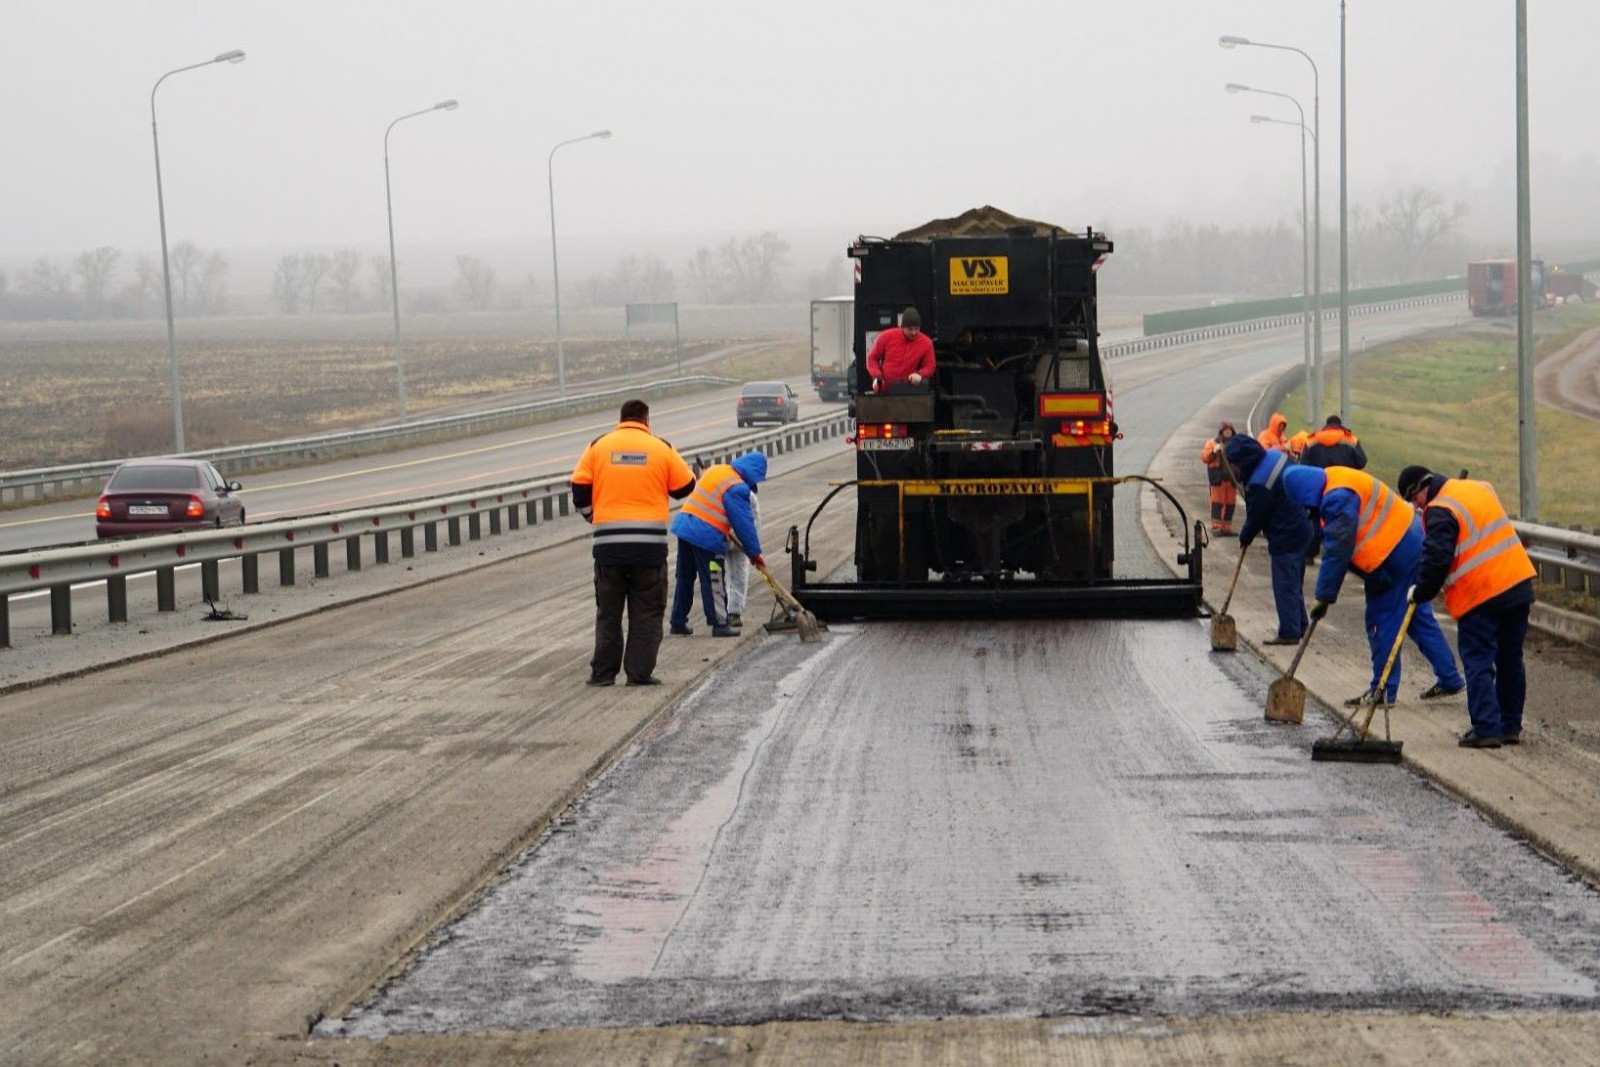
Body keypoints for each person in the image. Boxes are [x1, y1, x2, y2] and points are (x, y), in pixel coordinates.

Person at [1281, 464, 1465, 707]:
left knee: (1381, 620)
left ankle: (1382, 690)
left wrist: (1324, 596)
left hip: (1392, 556)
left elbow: (1338, 549)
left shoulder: (1337, 499)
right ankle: (1450, 678)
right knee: (1416, 616)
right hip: (1412, 541)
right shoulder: (1336, 477)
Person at [1399, 465, 1538, 749]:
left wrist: (1421, 591)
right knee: (1510, 657)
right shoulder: (1479, 488)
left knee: (1478, 659)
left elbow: (1437, 558)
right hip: (1518, 584)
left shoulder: (1439, 509)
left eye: (1415, 500)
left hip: (1481, 594)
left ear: (1421, 489)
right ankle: (1510, 726)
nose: (1417, 507)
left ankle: (1486, 728)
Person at [570, 399, 696, 687]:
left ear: (621, 418)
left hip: (608, 547)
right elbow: (685, 486)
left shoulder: (598, 445)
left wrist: (594, 517)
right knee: (647, 612)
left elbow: (578, 486)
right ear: (646, 420)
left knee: (608, 612)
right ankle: (639, 674)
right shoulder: (660, 447)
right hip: (649, 548)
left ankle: (603, 674)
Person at [1225, 435, 1313, 645]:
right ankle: (1300, 624)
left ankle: (1289, 632)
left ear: (1244, 460)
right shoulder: (1275, 456)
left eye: (1234, 464)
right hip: (1303, 527)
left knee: (1284, 584)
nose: (1234, 470)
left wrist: (1245, 536)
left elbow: (1257, 515)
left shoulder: (1259, 483)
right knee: (1293, 582)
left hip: (1286, 535)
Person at [669, 450, 768, 638]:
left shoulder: (718, 471)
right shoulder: (736, 487)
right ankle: (719, 623)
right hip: (705, 536)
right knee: (714, 578)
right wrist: (754, 553)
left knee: (685, 577)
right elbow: (744, 524)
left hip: (685, 527)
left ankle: (678, 621)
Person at [865, 306, 936, 391]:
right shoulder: (886, 337)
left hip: (909, 390)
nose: (913, 333)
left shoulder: (926, 343)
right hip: (886, 389)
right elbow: (872, 358)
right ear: (902, 327)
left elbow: (930, 366)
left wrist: (920, 375)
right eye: (910, 329)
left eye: (916, 329)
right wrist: (877, 377)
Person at [724, 484, 760, 629]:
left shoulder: (748, 497)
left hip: (738, 540)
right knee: (724, 575)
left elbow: (754, 527)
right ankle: (726, 612)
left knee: (738, 575)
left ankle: (733, 613)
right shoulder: (747, 497)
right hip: (722, 537)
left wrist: (754, 552)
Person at [1200, 421, 1239, 537]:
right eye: (1226, 430)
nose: (1228, 432)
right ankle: (1216, 528)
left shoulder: (1237, 445)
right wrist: (1214, 451)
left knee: (1230, 504)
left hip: (1232, 480)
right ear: (1221, 432)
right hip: (1218, 479)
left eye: (1229, 430)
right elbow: (1204, 457)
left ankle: (1227, 528)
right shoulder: (1212, 443)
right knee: (1217, 503)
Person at [1300, 414, 1367, 470]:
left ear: (1327, 425)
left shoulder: (1311, 440)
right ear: (1340, 425)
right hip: (1344, 480)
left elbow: (1303, 464)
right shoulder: (1352, 440)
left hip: (1320, 481)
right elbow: (1362, 462)